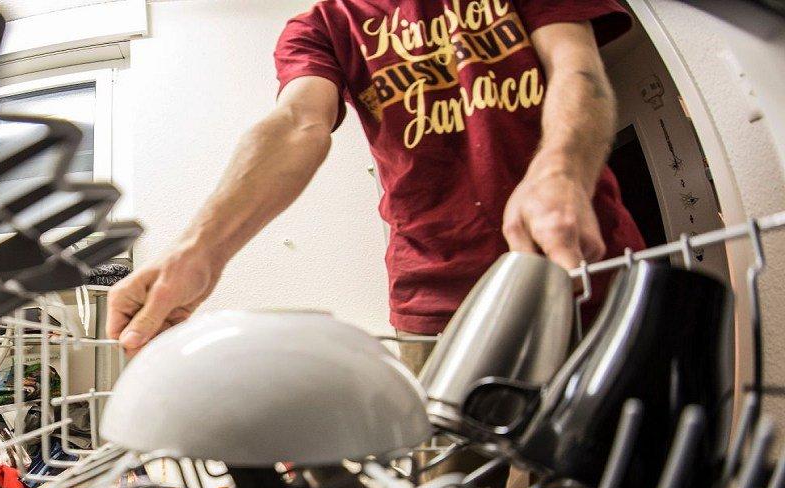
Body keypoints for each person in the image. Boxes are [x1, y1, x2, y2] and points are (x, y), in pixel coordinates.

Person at [106, 0, 645, 372]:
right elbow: (299, 124)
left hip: (582, 263)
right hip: (435, 297)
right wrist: (200, 249)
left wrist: (559, 170)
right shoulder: (321, 26)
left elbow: (578, 69)